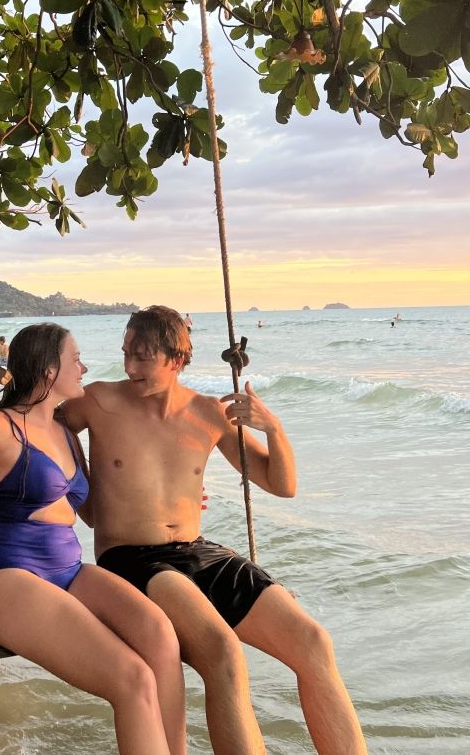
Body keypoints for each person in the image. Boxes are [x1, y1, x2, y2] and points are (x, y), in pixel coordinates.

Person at [61, 306, 366, 755]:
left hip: (198, 551)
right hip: (131, 559)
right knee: (222, 653)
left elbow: (282, 485)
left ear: (176, 358)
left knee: (313, 642)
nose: (129, 367)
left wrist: (274, 429)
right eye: (126, 353)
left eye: (142, 356)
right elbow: (33, 423)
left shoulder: (209, 413)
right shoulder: (99, 400)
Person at [0, 323, 185, 755]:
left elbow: (91, 514)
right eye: (75, 360)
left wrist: (175, 496)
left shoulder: (67, 434)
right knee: (132, 678)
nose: (84, 368)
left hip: (68, 570)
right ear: (49, 371)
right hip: (15, 579)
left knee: (160, 635)